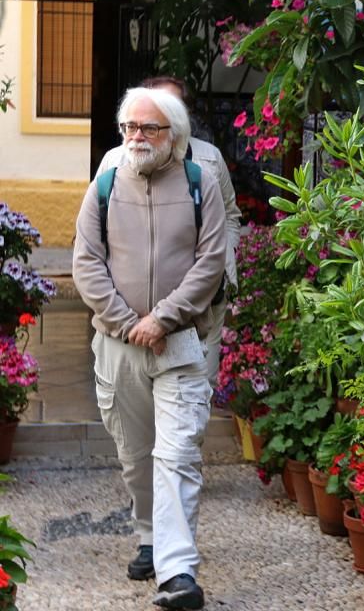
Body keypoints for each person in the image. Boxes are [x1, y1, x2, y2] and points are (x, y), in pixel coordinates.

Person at [74, 86, 225, 610]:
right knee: (136, 456)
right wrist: (125, 321)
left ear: (173, 135)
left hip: (180, 342)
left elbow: (211, 263)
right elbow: (86, 261)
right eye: (130, 128)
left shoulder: (198, 181)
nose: (136, 137)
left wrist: (162, 318)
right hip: (118, 344)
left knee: (177, 453)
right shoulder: (107, 180)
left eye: (148, 128)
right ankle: (148, 534)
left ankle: (178, 571)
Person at [96, 76, 240, 386]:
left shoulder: (208, 161)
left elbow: (230, 215)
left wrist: (224, 262)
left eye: (168, 107)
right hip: (130, 321)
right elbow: (94, 238)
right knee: (134, 415)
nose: (145, 125)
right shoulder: (114, 163)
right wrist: (129, 319)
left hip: (199, 310)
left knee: (193, 402)